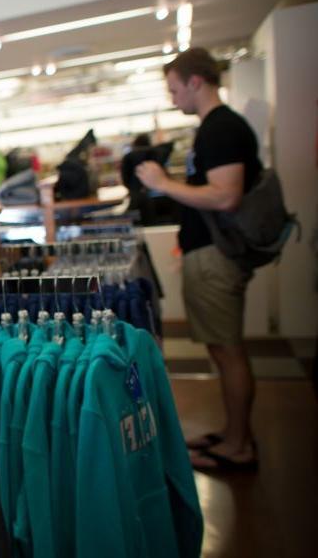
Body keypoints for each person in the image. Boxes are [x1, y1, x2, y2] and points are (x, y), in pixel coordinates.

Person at [135, 47, 261, 472]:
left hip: (216, 256)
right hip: (208, 252)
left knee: (227, 351)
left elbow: (226, 196)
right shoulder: (216, 128)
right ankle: (234, 434)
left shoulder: (221, 128)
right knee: (223, 350)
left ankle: (240, 446)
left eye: (174, 89)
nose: (172, 98)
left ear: (195, 82)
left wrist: (163, 183)